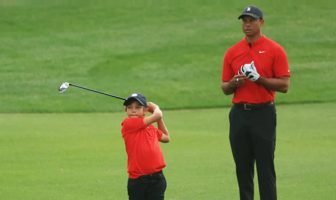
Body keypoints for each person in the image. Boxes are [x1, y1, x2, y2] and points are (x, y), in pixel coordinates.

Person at [221, 5, 290, 200]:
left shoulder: (275, 50)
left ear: (261, 22)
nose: (247, 24)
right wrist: (235, 83)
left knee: (265, 167)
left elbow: (284, 85)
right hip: (239, 114)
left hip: (263, 114)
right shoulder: (232, 52)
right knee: (242, 167)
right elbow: (224, 88)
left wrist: (258, 78)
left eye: (252, 20)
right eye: (244, 20)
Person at [121, 93, 170, 200]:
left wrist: (159, 119)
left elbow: (166, 137)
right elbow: (157, 114)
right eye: (129, 107)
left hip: (157, 178)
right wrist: (156, 108)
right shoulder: (128, 124)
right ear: (126, 110)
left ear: (145, 110)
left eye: (138, 107)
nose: (133, 110)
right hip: (138, 180)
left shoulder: (150, 128)